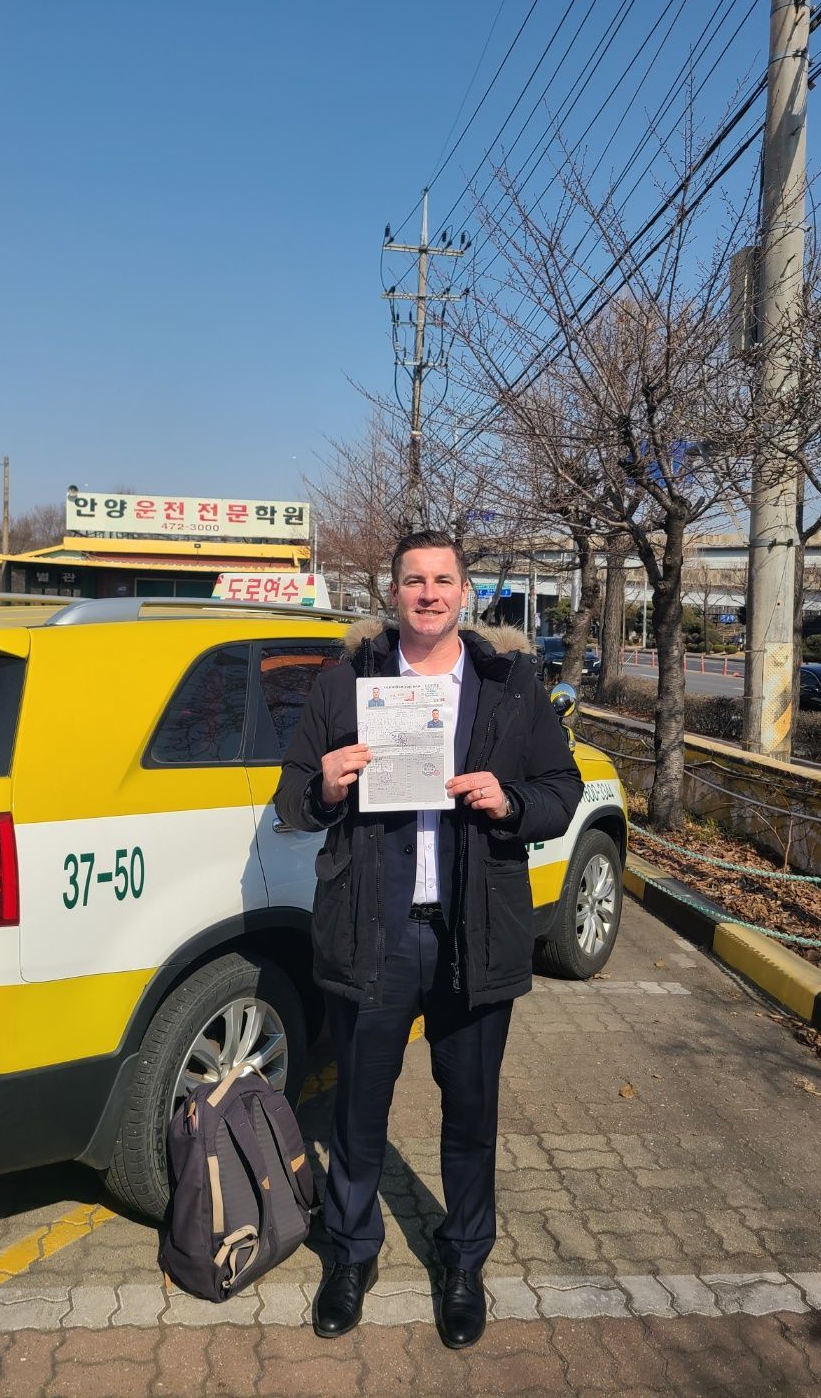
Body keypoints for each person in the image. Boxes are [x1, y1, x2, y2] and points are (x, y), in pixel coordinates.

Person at [275, 531, 583, 1348]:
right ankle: (351, 1253)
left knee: (471, 1111)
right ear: (393, 588)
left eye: (443, 579)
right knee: (355, 1110)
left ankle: (462, 1261)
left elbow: (563, 790)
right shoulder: (348, 682)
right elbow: (291, 802)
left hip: (472, 933)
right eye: (414, 579)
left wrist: (510, 798)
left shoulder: (509, 682)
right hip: (372, 932)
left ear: (465, 591)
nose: (429, 592)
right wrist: (327, 784)